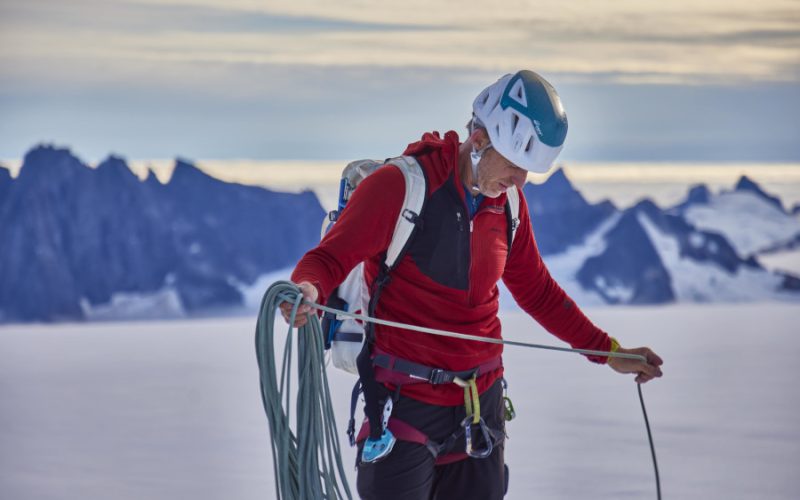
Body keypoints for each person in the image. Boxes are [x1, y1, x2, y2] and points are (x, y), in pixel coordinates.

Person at [280, 70, 663, 499]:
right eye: (515, 167)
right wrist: (309, 290)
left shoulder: (509, 206)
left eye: (529, 172)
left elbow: (537, 290)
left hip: (480, 411)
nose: (521, 182)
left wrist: (607, 351)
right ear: (479, 141)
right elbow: (328, 259)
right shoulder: (400, 187)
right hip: (404, 406)